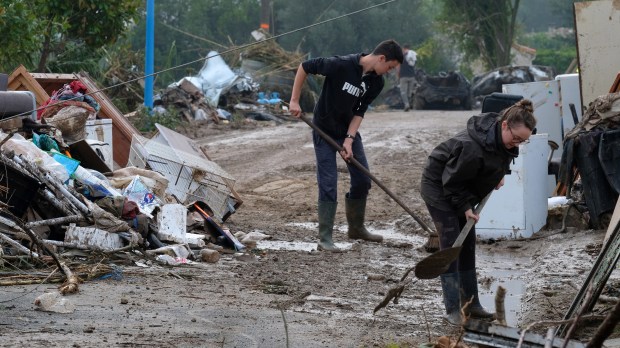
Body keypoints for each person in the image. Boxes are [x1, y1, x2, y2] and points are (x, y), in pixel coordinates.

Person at [420, 99, 537, 325]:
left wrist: (499, 173)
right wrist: (465, 208)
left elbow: (502, 155)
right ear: (504, 125)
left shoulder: (503, 139)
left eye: (523, 141)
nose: (517, 144)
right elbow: (451, 183)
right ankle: (453, 309)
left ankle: (471, 303)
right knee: (453, 242)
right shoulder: (472, 148)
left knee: (468, 242)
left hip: (459, 184)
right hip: (439, 186)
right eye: (516, 138)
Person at [288, 40, 403, 251]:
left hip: (346, 131)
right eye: (390, 67)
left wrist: (349, 140)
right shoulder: (341, 65)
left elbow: (359, 111)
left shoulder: (376, 83)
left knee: (362, 178)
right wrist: (294, 100)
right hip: (324, 130)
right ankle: (325, 239)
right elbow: (305, 66)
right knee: (329, 182)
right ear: (381, 58)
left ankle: (356, 228)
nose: (388, 72)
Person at [398, 44, 417, 111]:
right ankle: (410, 104)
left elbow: (399, 66)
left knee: (403, 92)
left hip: (403, 76)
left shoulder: (402, 56)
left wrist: (398, 74)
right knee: (409, 92)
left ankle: (407, 105)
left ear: (404, 49)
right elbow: (414, 66)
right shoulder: (413, 56)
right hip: (412, 76)